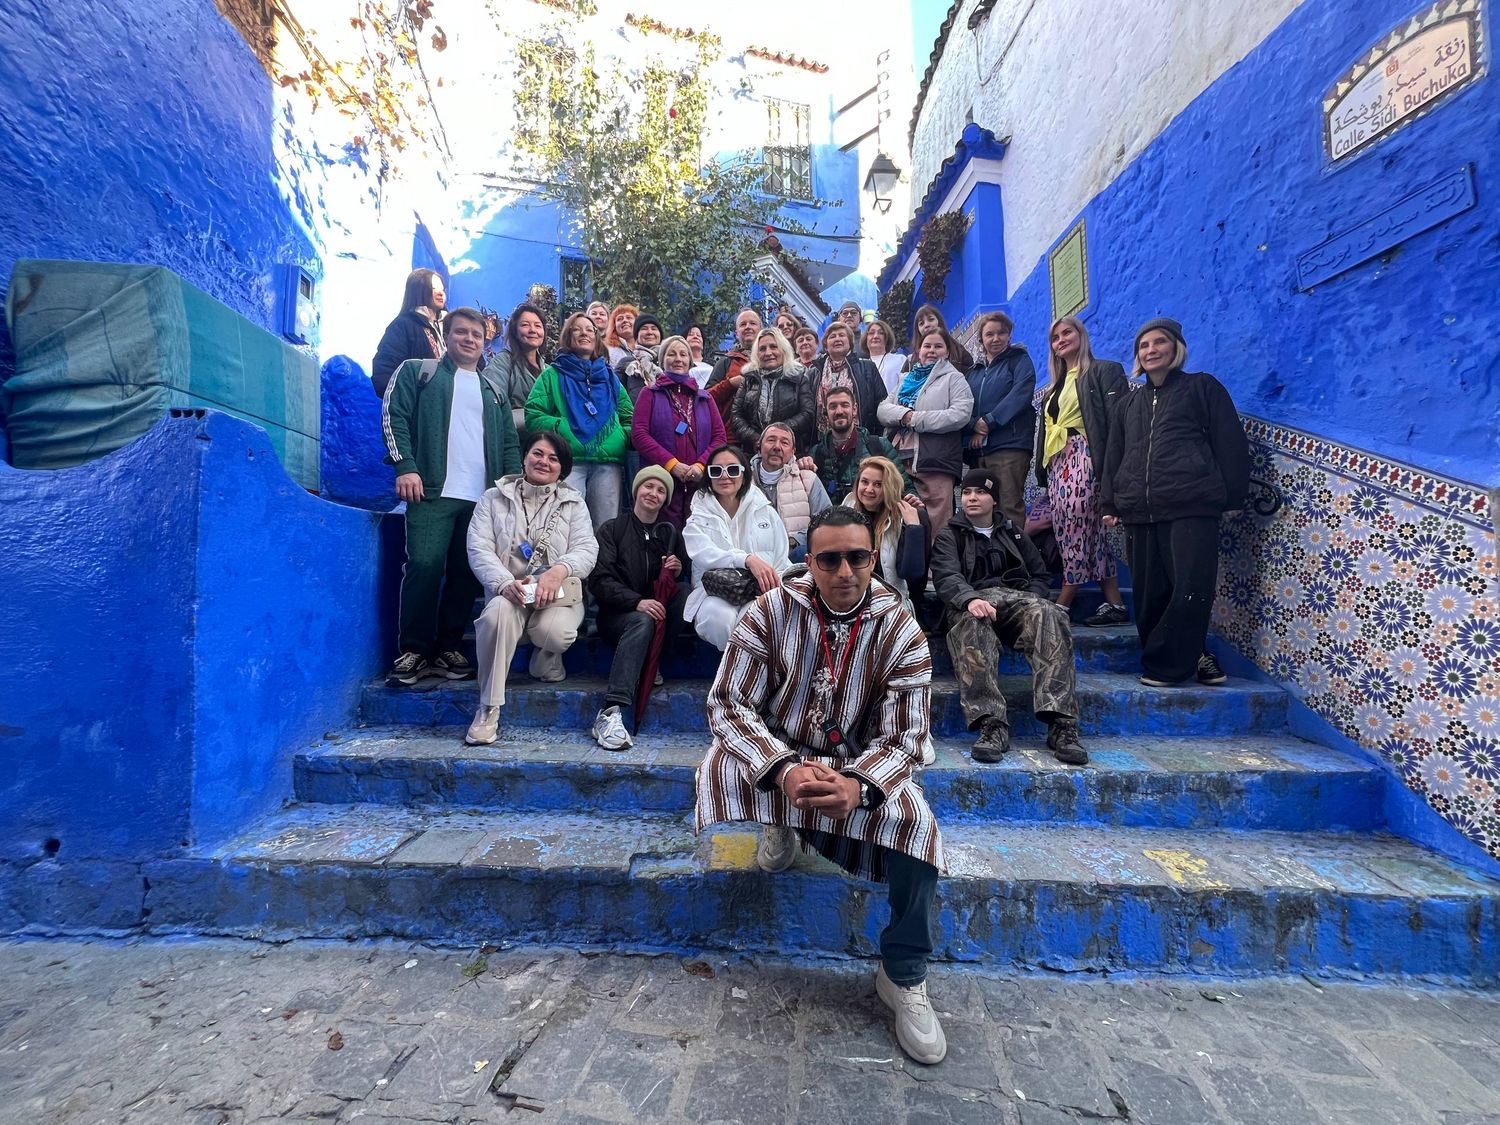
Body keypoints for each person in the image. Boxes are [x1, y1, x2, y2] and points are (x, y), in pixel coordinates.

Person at [695, 506, 947, 1066]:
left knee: (918, 827)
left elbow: (908, 735)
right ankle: (779, 820)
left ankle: (902, 973)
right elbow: (729, 704)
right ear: (809, 562)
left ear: (873, 558)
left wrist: (858, 785)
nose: (844, 571)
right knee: (723, 763)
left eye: (857, 557)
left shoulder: (902, 628)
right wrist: (784, 768)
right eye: (829, 559)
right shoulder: (768, 611)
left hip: (856, 763)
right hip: (779, 752)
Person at [1102, 318, 1249, 688]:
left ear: (1176, 348)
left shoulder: (1202, 387)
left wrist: (1232, 495)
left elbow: (1229, 441)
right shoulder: (1127, 404)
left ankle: (1168, 666)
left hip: (1191, 504)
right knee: (1149, 593)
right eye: (1144, 345)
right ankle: (1190, 657)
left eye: (1159, 342)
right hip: (1140, 510)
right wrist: (1110, 503)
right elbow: (1114, 454)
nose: (1151, 350)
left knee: (1190, 588)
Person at [381, 307, 522, 686]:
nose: (469, 339)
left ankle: (448, 647)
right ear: (447, 336)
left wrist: (509, 490)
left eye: (477, 335)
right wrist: (405, 465)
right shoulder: (418, 372)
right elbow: (394, 416)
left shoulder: (494, 391)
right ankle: (414, 649)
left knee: (466, 572)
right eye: (461, 332)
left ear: (485, 342)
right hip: (431, 491)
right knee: (425, 565)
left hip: (483, 499)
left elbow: (510, 444)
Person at [932, 468, 1088, 766]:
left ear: (994, 499)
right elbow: (946, 576)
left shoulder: (1012, 532)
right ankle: (992, 724)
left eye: (980, 492)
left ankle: (1062, 724)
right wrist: (970, 599)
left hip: (1015, 601)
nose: (972, 498)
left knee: (1050, 613)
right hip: (972, 602)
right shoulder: (949, 535)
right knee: (972, 625)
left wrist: (1034, 597)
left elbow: (1040, 574)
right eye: (967, 492)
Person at [464, 431, 598, 745]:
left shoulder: (573, 503)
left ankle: (547, 659)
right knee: (496, 616)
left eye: (554, 458)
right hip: (510, 592)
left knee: (555, 633)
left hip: (556, 595)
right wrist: (503, 583)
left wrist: (559, 571)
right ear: (525, 457)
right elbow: (478, 548)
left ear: (563, 469)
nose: (544, 462)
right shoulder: (492, 498)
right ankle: (488, 707)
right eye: (538, 453)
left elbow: (586, 548)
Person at [587, 465, 691, 749]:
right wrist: (636, 602)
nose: (653, 493)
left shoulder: (669, 534)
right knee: (641, 620)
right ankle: (610, 710)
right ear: (636, 490)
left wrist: (677, 569)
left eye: (661, 490)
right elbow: (599, 581)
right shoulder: (612, 530)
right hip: (618, 617)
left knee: (685, 594)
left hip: (655, 619)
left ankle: (651, 662)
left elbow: (681, 578)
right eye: (648, 486)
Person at [1034, 315, 1129, 626]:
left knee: (1074, 529)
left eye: (1067, 333)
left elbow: (1117, 422)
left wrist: (1113, 467)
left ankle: (1063, 602)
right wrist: (1044, 470)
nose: (1061, 340)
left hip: (1085, 456)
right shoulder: (1053, 387)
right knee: (1091, 533)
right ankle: (1115, 604)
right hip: (1059, 463)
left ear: (1081, 335)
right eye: (1055, 337)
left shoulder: (1103, 371)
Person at [525, 312, 633, 529]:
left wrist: (619, 436)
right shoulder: (552, 375)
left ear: (596, 337)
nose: (584, 333)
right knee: (563, 525)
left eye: (589, 329)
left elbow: (629, 417)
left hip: (608, 463)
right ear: (568, 336)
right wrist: (562, 429)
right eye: (577, 329)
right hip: (568, 461)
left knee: (604, 528)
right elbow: (533, 415)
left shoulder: (610, 378)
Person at [683, 444, 790, 650]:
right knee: (718, 619)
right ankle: (735, 664)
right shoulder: (698, 515)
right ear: (709, 476)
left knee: (754, 618)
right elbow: (702, 552)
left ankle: (741, 667)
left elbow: (781, 555)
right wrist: (747, 559)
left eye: (732, 469)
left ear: (744, 474)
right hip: (715, 591)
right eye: (716, 471)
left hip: (760, 590)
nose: (725, 476)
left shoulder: (765, 511)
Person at [876, 327, 973, 540]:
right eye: (927, 346)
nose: (931, 350)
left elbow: (960, 414)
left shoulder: (954, 379)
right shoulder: (905, 380)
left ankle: (938, 562)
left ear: (947, 352)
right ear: (919, 351)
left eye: (938, 346)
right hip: (899, 461)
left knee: (938, 524)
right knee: (900, 519)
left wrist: (916, 420)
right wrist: (904, 415)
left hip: (935, 461)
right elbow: (882, 410)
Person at [631, 335, 727, 527]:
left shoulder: (705, 398)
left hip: (697, 481)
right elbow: (639, 435)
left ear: (690, 361)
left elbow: (719, 438)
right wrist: (672, 464)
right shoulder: (650, 393)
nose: (678, 359)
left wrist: (700, 466)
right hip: (661, 481)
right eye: (671, 354)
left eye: (683, 354)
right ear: (662, 360)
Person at [964, 311, 1036, 530]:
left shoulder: (1019, 360)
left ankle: (1014, 551)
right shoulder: (973, 372)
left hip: (1009, 446)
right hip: (979, 451)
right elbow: (963, 405)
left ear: (1009, 335)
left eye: (1001, 333)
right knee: (982, 510)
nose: (996, 338)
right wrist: (974, 427)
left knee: (1008, 505)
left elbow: (1020, 394)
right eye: (989, 334)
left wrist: (989, 422)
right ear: (981, 338)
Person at [804, 386, 914, 503]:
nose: (839, 411)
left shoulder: (878, 446)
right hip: (831, 514)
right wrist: (803, 467)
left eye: (845, 405)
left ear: (854, 409)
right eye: (833, 406)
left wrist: (913, 502)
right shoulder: (816, 453)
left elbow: (904, 488)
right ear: (826, 412)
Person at [850, 455, 929, 613]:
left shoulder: (910, 516)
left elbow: (912, 574)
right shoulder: (847, 511)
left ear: (890, 487)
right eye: (864, 482)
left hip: (893, 604)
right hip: (852, 600)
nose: (869, 489)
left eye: (878, 484)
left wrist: (913, 528)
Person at [750, 422, 831, 563]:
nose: (777, 447)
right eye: (771, 440)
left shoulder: (807, 478)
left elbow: (827, 521)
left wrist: (794, 541)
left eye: (784, 443)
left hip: (797, 558)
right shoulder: (743, 483)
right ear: (759, 446)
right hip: (755, 559)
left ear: (793, 451)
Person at [730, 328, 817, 455]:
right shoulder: (749, 379)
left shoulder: (799, 377)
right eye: (762, 349)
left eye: (773, 347)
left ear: (783, 349)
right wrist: (756, 439)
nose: (768, 353)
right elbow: (736, 415)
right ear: (756, 353)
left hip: (789, 452)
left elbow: (807, 413)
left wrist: (776, 435)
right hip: (753, 452)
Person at [371, 268, 445, 396]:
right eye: (433, 288)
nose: (440, 293)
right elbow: (384, 374)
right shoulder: (402, 326)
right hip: (420, 405)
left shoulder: (452, 326)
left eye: (442, 289)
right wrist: (412, 400)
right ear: (418, 290)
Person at [808, 321, 886, 434]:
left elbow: (881, 403)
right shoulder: (814, 373)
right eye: (832, 336)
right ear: (825, 345)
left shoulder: (868, 368)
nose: (837, 339)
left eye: (841, 335)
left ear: (850, 343)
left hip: (862, 436)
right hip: (823, 437)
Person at [482, 301, 547, 432]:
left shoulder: (548, 370)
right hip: (513, 439)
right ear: (515, 331)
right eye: (525, 325)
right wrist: (536, 418)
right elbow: (490, 404)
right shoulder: (502, 362)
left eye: (538, 326)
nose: (533, 330)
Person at [705, 308, 762, 442]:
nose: (748, 327)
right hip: (732, 438)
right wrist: (729, 384)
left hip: (766, 438)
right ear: (737, 333)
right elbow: (706, 398)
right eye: (743, 324)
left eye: (752, 323)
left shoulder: (772, 359)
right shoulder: (726, 361)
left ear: (761, 329)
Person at [907, 305, 971, 373]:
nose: (926, 325)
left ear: (939, 321)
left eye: (931, 319)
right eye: (921, 323)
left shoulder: (958, 351)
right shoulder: (911, 361)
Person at [615, 313, 664, 401]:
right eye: (644, 329)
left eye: (654, 329)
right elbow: (616, 394)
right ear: (636, 336)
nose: (649, 332)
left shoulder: (668, 362)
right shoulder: (626, 363)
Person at [861, 319, 905, 395]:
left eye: (881, 333)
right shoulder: (861, 365)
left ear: (887, 338)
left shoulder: (900, 360)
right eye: (871, 333)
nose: (875, 336)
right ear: (866, 339)